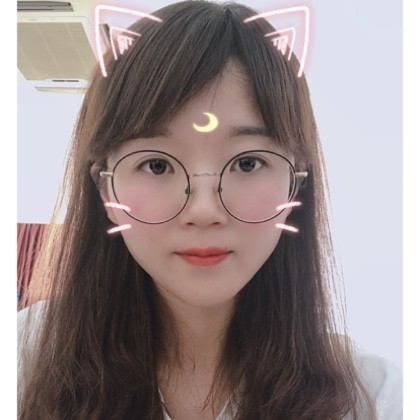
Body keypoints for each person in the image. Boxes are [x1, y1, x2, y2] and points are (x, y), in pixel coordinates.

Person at [17, 1, 402, 419]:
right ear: (104, 189)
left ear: (298, 183)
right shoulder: (25, 357)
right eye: (157, 165)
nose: (203, 210)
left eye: (247, 163)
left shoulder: (375, 399)